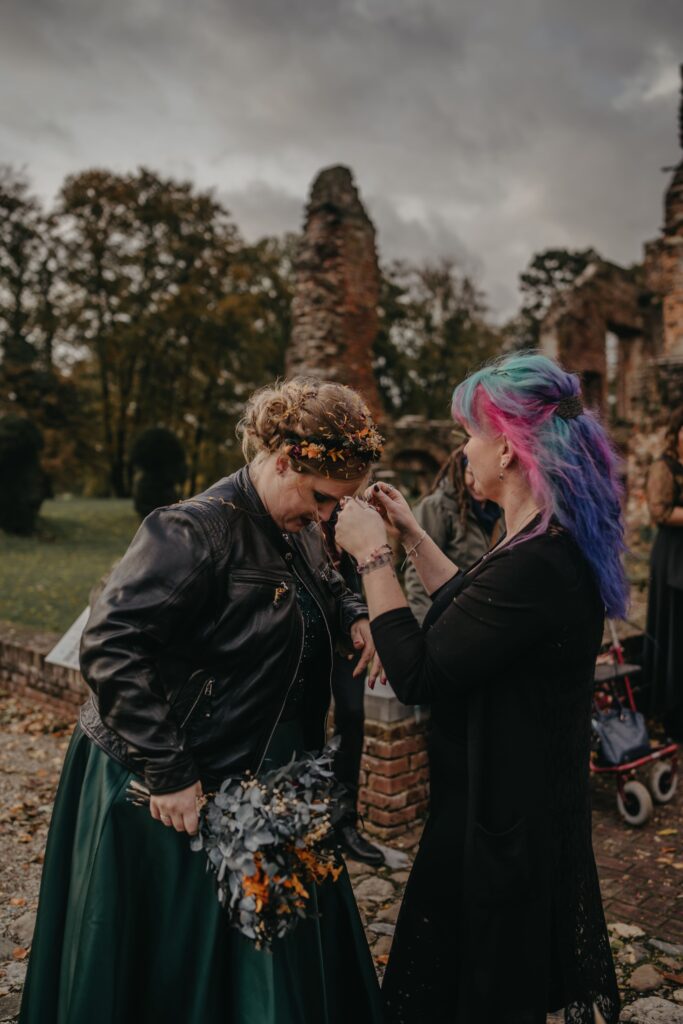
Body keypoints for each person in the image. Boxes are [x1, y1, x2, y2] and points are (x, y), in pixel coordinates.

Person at [19, 378, 384, 1024]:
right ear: (281, 461)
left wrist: (352, 610)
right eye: (323, 499)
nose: (329, 517)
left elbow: (321, 580)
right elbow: (109, 645)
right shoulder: (191, 530)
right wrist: (171, 773)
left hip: (261, 771)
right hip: (162, 773)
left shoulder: (293, 523)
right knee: (171, 966)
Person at [336, 352, 627, 1024]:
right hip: (502, 797)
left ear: (506, 449)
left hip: (499, 816)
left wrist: (372, 556)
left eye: (469, 433)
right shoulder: (533, 540)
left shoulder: (540, 562)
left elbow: (418, 672)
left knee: (477, 986)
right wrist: (411, 535)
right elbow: (474, 606)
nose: (460, 448)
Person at [321, 516, 385, 866]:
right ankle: (310, 815)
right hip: (305, 631)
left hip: (347, 632)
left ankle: (345, 821)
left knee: (353, 716)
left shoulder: (345, 511)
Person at [404, 442, 502, 623]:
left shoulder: (500, 511)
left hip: (480, 616)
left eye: (479, 473)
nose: (475, 481)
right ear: (460, 471)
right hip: (447, 617)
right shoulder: (437, 507)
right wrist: (427, 626)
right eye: (470, 473)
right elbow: (418, 575)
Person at [644, 405, 683, 741]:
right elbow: (659, 512)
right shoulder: (663, 467)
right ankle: (671, 713)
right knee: (674, 632)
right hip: (672, 557)